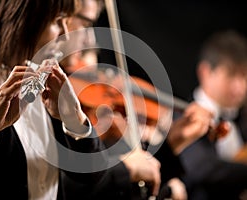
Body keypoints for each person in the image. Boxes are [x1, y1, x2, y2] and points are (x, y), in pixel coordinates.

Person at [0, 0, 110, 199]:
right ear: (20, 18)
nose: (66, 35)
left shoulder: (43, 82)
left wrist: (75, 119)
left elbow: (93, 174)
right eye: (58, 21)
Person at [56, 0, 214, 199]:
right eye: (86, 24)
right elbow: (66, 189)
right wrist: (126, 169)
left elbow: (120, 188)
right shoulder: (49, 97)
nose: (89, 39)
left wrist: (171, 144)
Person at [179, 30, 247, 200]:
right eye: (231, 75)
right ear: (205, 72)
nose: (240, 87)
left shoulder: (241, 116)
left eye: (244, 75)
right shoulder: (183, 118)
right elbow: (202, 169)